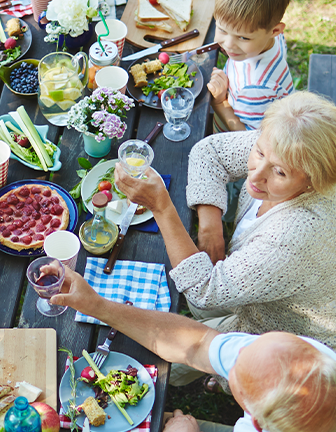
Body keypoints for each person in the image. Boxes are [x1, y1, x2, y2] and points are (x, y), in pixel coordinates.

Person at [115, 92, 336, 387]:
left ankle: (229, 382)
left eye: (279, 172)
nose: (255, 177)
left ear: (313, 179)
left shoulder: (296, 235)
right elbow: (211, 151)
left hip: (280, 336)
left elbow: (203, 289)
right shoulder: (282, 144)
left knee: (160, 370)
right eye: (258, 153)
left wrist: (161, 207)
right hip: (252, 290)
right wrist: (209, 228)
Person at [49, 268, 336, 432]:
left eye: (233, 374)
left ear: (257, 422)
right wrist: (98, 306)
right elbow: (199, 344)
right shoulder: (312, 360)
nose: (234, 357)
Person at [208, 0, 293, 133]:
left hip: (232, 143)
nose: (229, 44)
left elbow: (250, 138)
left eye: (243, 37)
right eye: (222, 30)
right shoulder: (269, 40)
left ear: (275, 30)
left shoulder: (257, 89)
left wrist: (219, 103)